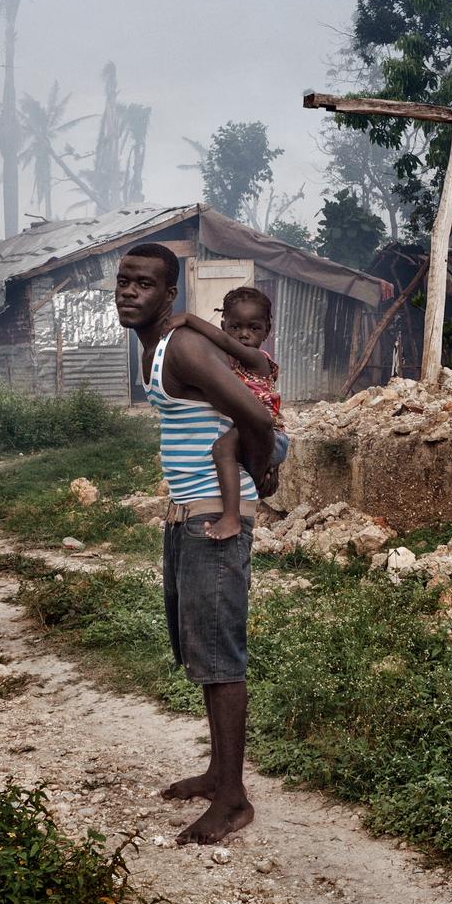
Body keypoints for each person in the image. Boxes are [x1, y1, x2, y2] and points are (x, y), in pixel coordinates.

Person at [115, 242, 274, 845]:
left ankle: (233, 800)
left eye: (145, 284)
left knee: (220, 655)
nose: (130, 292)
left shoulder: (183, 344)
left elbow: (257, 419)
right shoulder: (152, 344)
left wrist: (262, 479)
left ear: (169, 294)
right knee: (200, 649)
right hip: (188, 513)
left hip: (215, 516)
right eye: (124, 282)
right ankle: (217, 774)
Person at [171, 286, 288, 541]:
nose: (243, 335)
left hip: (270, 436)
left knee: (222, 449)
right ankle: (265, 477)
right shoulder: (223, 362)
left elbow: (222, 342)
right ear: (225, 324)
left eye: (253, 328)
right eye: (235, 327)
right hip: (251, 435)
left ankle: (232, 518)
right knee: (239, 461)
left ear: (267, 331)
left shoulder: (257, 360)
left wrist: (189, 319)